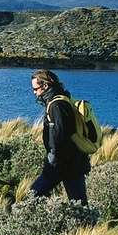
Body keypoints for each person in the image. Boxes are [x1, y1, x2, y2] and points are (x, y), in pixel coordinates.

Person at [29, 69, 90, 205]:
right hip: (75, 161)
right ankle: (86, 225)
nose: (34, 92)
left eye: (35, 89)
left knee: (33, 197)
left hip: (62, 163)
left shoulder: (56, 105)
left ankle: (27, 221)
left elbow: (58, 136)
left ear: (45, 86)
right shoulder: (64, 99)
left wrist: (52, 161)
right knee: (79, 203)